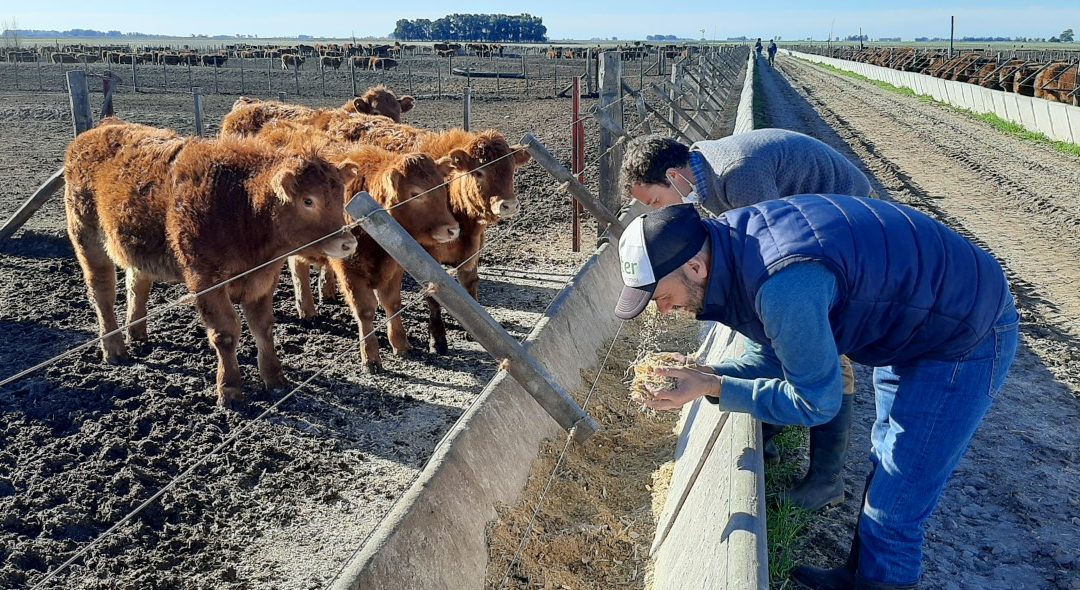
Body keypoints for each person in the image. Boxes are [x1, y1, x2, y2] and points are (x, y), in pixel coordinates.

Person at [614, 198, 1018, 590]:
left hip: (963, 334)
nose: (664, 310)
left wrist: (717, 387)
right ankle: (860, 575)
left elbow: (817, 403)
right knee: (886, 460)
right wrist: (707, 372)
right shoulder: (733, 244)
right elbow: (771, 356)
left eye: (663, 297)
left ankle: (884, 580)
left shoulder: (783, 287)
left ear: (696, 267)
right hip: (916, 318)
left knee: (898, 502)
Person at [620, 131, 872, 511]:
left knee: (829, 347)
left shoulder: (739, 176)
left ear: (674, 176)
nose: (661, 213)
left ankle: (826, 479)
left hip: (850, 222)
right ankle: (772, 424)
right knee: (782, 336)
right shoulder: (705, 175)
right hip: (821, 225)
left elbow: (778, 251)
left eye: (656, 202)